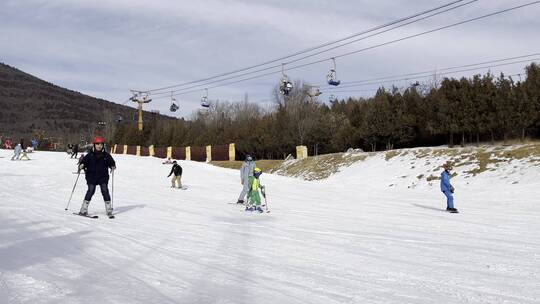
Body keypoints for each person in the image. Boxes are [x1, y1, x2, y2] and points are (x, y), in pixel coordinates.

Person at [78, 136, 116, 217]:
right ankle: (83, 210)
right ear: (94, 145)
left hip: (103, 176)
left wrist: (113, 166)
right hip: (91, 176)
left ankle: (109, 210)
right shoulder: (89, 155)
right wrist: (82, 165)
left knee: (105, 190)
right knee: (91, 190)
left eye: (101, 144)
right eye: (97, 144)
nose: (99, 145)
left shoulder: (106, 155)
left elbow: (112, 162)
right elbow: (83, 162)